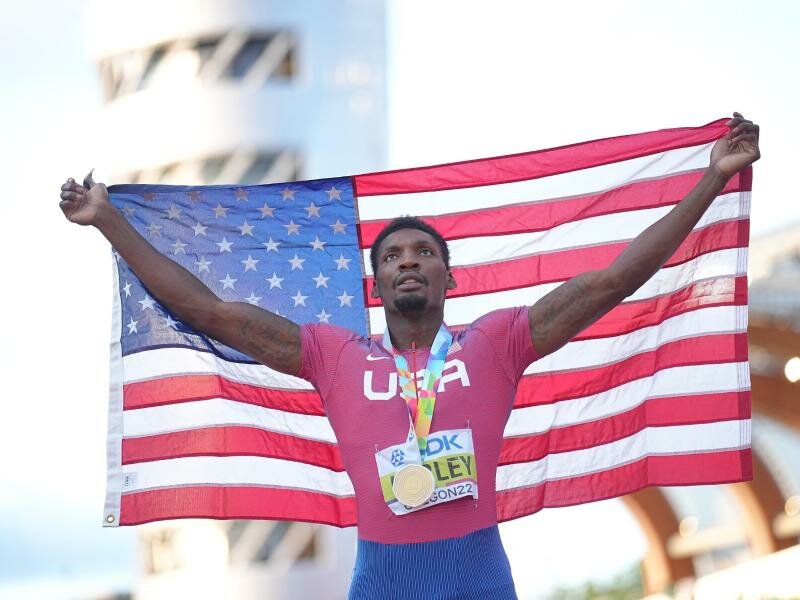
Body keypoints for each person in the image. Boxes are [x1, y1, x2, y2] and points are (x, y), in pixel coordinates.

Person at [60, 113, 759, 599]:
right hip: (383, 581)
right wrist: (110, 221)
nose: (408, 261)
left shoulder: (497, 341)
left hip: (479, 576)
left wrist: (711, 179)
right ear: (378, 285)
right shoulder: (331, 354)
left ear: (450, 278)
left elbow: (609, 282)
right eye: (392, 256)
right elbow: (211, 312)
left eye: (424, 252)